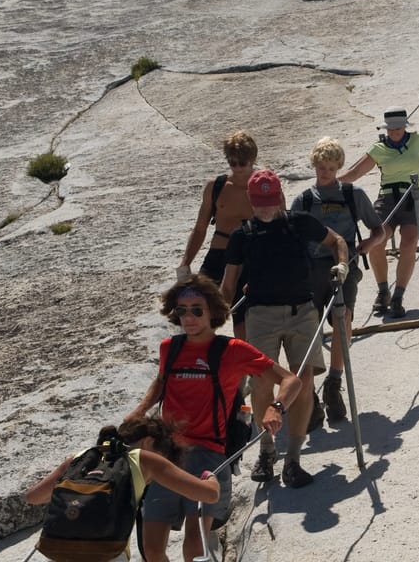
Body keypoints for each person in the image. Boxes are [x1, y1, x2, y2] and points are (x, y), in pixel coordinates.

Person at [124, 273, 301, 562]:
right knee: (152, 549)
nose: (188, 317)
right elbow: (161, 382)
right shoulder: (170, 347)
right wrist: (138, 413)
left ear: (212, 312)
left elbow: (291, 380)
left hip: (207, 452)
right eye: (182, 310)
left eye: (197, 309)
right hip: (165, 453)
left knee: (195, 544)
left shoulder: (233, 351)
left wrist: (275, 407)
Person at [221, 169, 348, 488]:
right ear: (251, 201)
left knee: (303, 381)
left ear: (278, 197)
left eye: (270, 200)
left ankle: (292, 459)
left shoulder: (299, 222)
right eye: (259, 202)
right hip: (260, 315)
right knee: (262, 383)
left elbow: (337, 241)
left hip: (302, 311)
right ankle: (266, 452)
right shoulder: (242, 235)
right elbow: (228, 284)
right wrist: (213, 313)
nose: (265, 208)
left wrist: (341, 265)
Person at [25, 417, 221, 562]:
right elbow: (209, 495)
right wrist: (211, 478)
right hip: (108, 554)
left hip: (60, 551)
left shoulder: (81, 457)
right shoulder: (144, 459)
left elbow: (33, 497)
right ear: (149, 442)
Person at [289, 137, 385, 422]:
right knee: (311, 329)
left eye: (330, 168)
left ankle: (334, 382)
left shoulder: (353, 194)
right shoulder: (304, 200)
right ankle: (312, 393)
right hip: (311, 269)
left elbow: (378, 230)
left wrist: (364, 248)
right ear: (315, 166)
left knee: (343, 321)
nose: (326, 173)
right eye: (321, 167)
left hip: (345, 267)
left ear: (338, 166)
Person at [339, 106, 419, 319]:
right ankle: (383, 291)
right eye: (390, 128)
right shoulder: (378, 149)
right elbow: (355, 173)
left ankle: (398, 295)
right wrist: (329, 184)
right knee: (376, 239)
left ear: (404, 127)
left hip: (413, 195)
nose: (393, 132)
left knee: (409, 241)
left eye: (397, 128)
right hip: (387, 198)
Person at [175, 130, 258, 339]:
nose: (238, 168)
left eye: (242, 163)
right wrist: (186, 262)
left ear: (253, 159)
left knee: (243, 323)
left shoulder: (264, 186)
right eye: (233, 162)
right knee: (197, 308)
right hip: (218, 255)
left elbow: (280, 224)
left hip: (250, 259)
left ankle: (243, 370)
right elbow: (200, 228)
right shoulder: (216, 187)